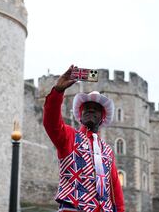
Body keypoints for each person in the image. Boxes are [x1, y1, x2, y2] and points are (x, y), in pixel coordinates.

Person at [43, 65, 125, 212]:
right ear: (80, 115)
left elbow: (115, 188)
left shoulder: (107, 150)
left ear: (102, 117)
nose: (91, 109)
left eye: (96, 108)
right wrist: (58, 91)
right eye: (86, 107)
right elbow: (51, 122)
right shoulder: (69, 137)